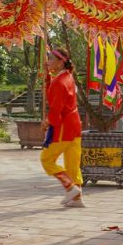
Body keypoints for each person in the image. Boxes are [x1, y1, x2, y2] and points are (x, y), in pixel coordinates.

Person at [41, 48, 85, 208]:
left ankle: (70, 187)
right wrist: (47, 78)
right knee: (72, 163)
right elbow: (54, 96)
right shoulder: (67, 77)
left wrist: (47, 122)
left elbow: (56, 108)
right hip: (75, 124)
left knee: (46, 159)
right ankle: (77, 198)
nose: (48, 61)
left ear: (60, 62)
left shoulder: (60, 82)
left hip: (64, 126)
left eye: (51, 59)